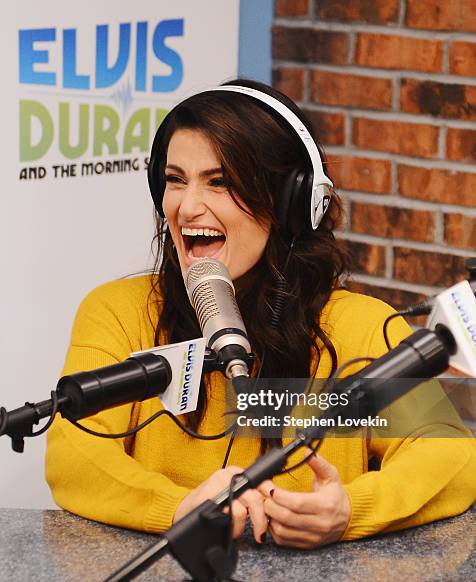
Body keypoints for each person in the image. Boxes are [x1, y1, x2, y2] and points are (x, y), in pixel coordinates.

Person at [46, 79, 476, 549]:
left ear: (291, 204)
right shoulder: (118, 311)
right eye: (174, 179)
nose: (188, 207)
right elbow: (75, 454)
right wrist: (179, 509)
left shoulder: (359, 327)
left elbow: (450, 457)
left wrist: (351, 509)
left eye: (219, 182)